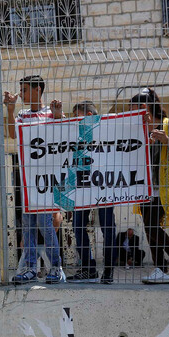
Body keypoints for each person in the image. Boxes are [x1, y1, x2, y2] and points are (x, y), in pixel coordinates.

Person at [4, 75, 65, 284]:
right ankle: (30, 267)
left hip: (47, 179)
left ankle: (55, 267)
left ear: (38, 90)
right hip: (28, 177)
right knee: (28, 223)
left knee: (45, 222)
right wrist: (10, 110)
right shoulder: (22, 114)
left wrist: (58, 116)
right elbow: (13, 135)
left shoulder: (51, 112)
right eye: (21, 89)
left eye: (25, 89)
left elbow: (63, 137)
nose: (21, 94)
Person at [129, 87, 169, 284]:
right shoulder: (134, 127)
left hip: (164, 187)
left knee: (154, 227)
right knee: (149, 228)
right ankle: (160, 270)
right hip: (143, 185)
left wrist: (167, 141)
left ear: (144, 106)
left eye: (134, 108)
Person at [67, 101, 117, 283]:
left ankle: (109, 270)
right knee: (78, 227)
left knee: (108, 228)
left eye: (77, 116)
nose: (74, 120)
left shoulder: (106, 130)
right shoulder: (73, 134)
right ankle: (88, 268)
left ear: (88, 115)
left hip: (103, 186)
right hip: (81, 186)